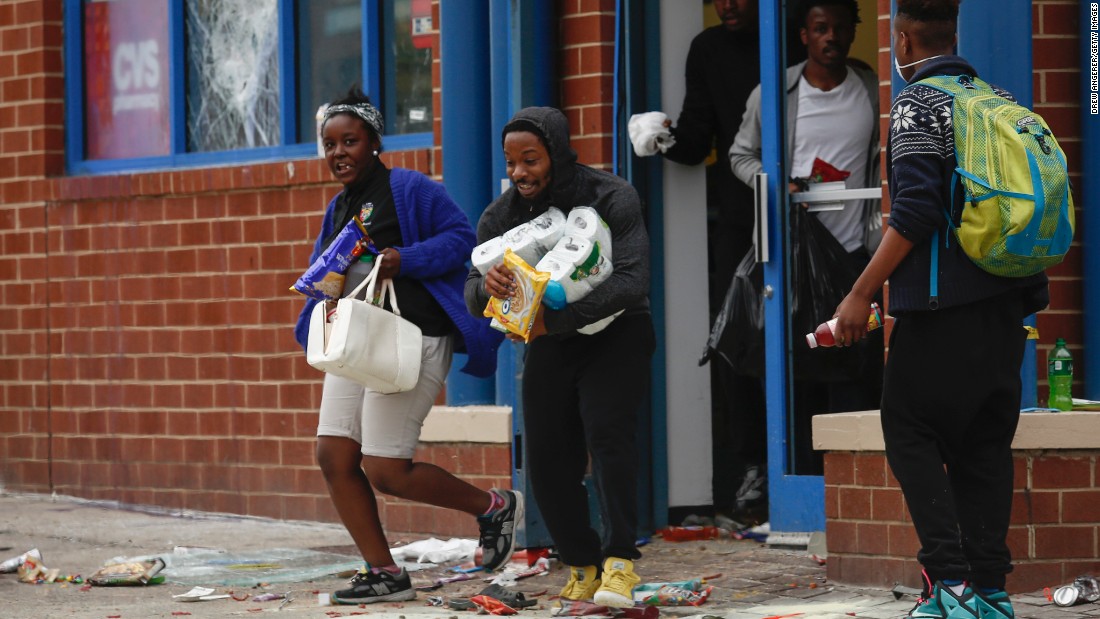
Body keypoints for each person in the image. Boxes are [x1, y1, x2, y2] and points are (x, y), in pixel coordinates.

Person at [832, 1, 1049, 617]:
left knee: (909, 428)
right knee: (984, 445)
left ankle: (950, 583)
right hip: (1007, 306)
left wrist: (860, 291)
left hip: (941, 305)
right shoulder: (997, 97)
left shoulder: (917, 103)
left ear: (901, 41)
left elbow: (918, 211)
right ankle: (990, 591)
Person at [293, 87, 518, 606]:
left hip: (412, 338)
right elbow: (327, 269)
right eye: (329, 144)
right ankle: (384, 572)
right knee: (333, 453)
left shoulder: (410, 188)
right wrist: (319, 295)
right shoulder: (339, 207)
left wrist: (402, 258)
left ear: (373, 142)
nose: (338, 153)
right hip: (356, 340)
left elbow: (462, 240)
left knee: (386, 468)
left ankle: (492, 505)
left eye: (349, 141)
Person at [465, 107, 654, 609]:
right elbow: (469, 288)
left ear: (557, 153)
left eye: (531, 159)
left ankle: (620, 562)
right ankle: (582, 562)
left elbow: (633, 280)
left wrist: (554, 321)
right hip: (550, 342)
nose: (519, 173)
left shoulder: (611, 195)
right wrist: (489, 288)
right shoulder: (500, 216)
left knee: (607, 434)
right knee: (547, 457)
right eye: (511, 162)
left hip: (619, 333)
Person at [630, 0, 805, 521]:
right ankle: (754, 467)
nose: (726, 5)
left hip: (813, 214)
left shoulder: (799, 38)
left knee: (812, 335)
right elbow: (696, 141)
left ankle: (812, 457)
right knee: (742, 342)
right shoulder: (707, 48)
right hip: (739, 220)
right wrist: (656, 137)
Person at [728, 0, 883, 475]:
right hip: (791, 262)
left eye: (839, 28)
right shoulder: (776, 93)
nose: (830, 37)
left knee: (855, 374)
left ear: (854, 33)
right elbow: (740, 155)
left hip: (855, 259)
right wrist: (775, 184)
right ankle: (803, 483)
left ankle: (855, 484)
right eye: (820, 28)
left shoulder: (871, 90)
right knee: (798, 378)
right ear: (803, 36)